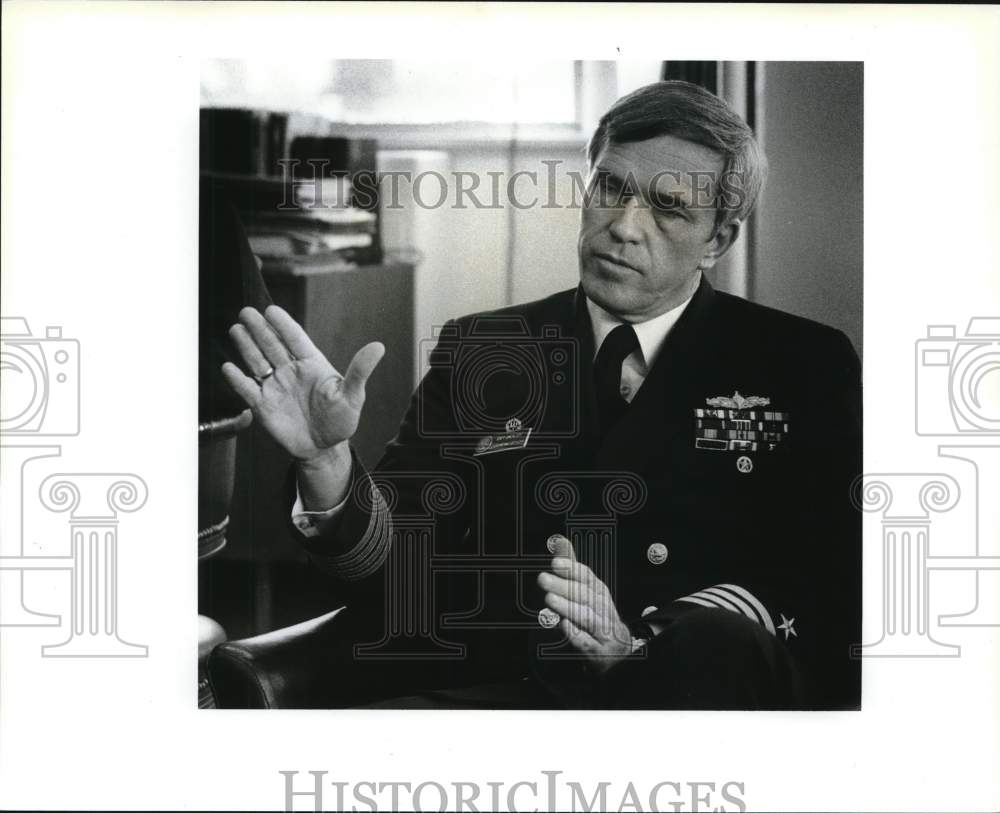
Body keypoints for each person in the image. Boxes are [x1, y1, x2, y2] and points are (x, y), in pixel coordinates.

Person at [222, 80, 862, 709]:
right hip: (498, 697)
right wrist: (328, 467)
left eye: (669, 208)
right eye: (611, 188)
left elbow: (831, 587)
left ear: (717, 241)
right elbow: (398, 578)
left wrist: (644, 651)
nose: (624, 228)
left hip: (687, 704)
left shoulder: (801, 363)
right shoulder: (485, 348)